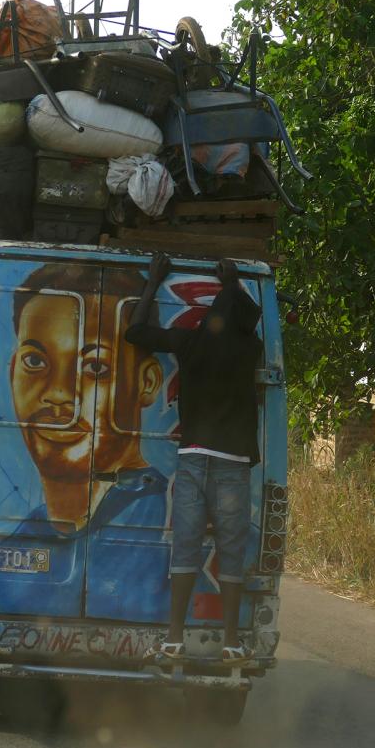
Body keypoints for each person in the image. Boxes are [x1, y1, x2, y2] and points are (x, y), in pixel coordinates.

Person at [126, 254, 262, 666]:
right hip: (232, 466)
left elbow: (136, 332)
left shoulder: (191, 342)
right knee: (231, 551)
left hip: (194, 460)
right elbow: (247, 320)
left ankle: (173, 639)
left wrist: (154, 281)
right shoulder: (251, 349)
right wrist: (233, 283)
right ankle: (232, 642)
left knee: (184, 546)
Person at [8, 262, 166, 531]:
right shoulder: (32, 530)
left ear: (146, 383)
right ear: (12, 373)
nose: (58, 393)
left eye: (95, 367)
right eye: (34, 361)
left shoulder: (157, 516)